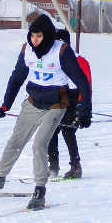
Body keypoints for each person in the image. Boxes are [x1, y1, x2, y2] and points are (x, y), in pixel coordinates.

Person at [0, 14, 92, 209]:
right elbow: (17, 77)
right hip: (33, 102)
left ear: (48, 37)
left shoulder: (61, 51)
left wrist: (85, 111)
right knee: (15, 142)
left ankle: (40, 190)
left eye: (39, 36)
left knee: (39, 145)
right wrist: (5, 105)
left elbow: (81, 81)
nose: (35, 40)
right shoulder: (27, 50)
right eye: (32, 36)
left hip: (56, 104)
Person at [46, 27, 91, 180]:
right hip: (58, 97)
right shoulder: (53, 59)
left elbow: (87, 85)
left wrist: (82, 106)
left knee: (68, 131)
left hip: (75, 98)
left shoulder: (79, 59)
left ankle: (75, 165)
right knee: (51, 131)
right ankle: (53, 165)